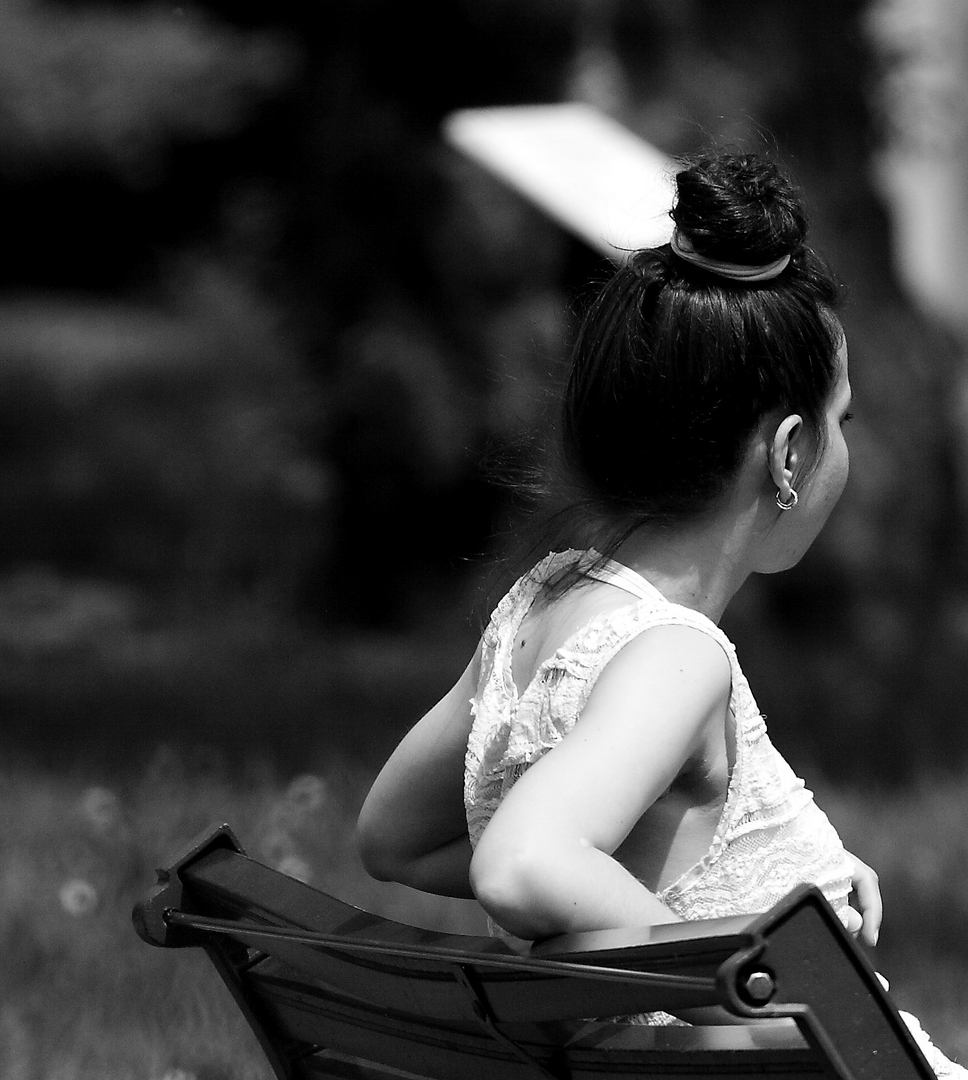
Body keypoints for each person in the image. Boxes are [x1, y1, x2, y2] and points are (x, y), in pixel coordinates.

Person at [356, 151, 965, 1074]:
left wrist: (777, 896)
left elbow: (394, 839)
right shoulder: (675, 658)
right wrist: (743, 969)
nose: (848, 444)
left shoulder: (540, 607)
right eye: (845, 418)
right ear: (789, 454)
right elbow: (522, 864)